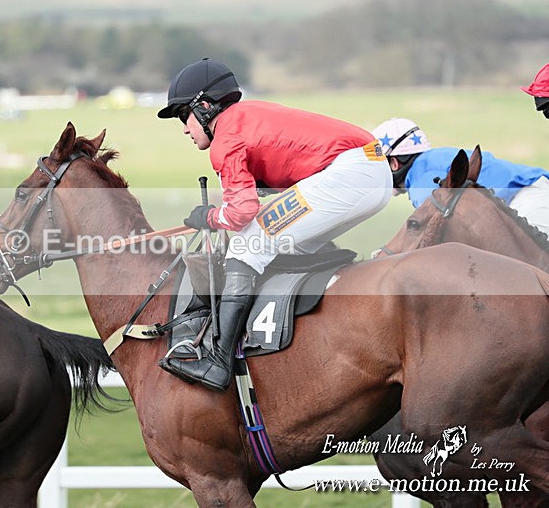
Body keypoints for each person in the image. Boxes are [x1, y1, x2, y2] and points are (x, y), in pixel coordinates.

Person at [156, 58, 392, 391]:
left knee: (247, 244)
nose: (184, 128)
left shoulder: (227, 137)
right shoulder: (244, 118)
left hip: (351, 174)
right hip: (370, 171)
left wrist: (206, 218)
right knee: (281, 244)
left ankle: (217, 362)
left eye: (184, 116)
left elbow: (240, 213)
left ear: (205, 107)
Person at [371, 117, 549, 235]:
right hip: (528, 194)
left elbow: (432, 233)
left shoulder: (420, 179)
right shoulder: (429, 163)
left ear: (394, 163)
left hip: (528, 198)